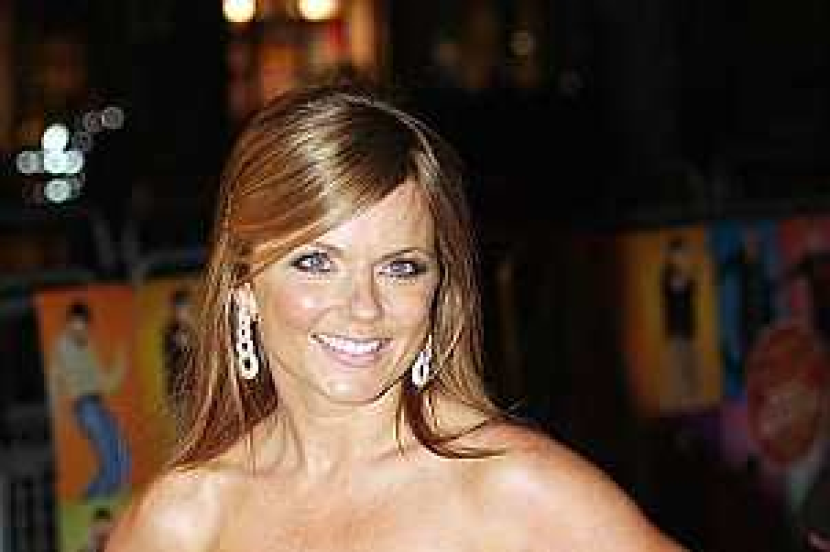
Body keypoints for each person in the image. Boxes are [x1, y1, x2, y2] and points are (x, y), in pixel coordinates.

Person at [106, 81, 685, 551]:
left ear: (439, 287)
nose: (364, 306)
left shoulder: (517, 491)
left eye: (401, 267)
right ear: (243, 284)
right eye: (316, 262)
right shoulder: (184, 521)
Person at [49, 301, 131, 499]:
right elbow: (57, 377)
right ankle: (87, 499)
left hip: (97, 406)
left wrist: (120, 362)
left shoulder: (86, 346)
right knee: (112, 467)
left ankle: (92, 498)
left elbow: (104, 383)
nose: (80, 329)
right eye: (75, 324)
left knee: (123, 461)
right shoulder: (63, 345)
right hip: (86, 408)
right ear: (69, 324)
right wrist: (58, 410)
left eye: (83, 325)